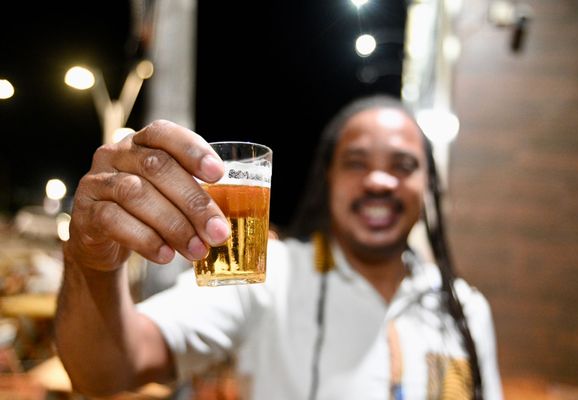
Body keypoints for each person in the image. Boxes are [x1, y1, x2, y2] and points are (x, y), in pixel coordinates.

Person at [55, 94, 503, 400]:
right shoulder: (267, 278)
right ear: (327, 179)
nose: (379, 181)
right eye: (356, 163)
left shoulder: (464, 309)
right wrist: (91, 262)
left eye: (403, 166)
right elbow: (102, 370)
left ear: (427, 185)